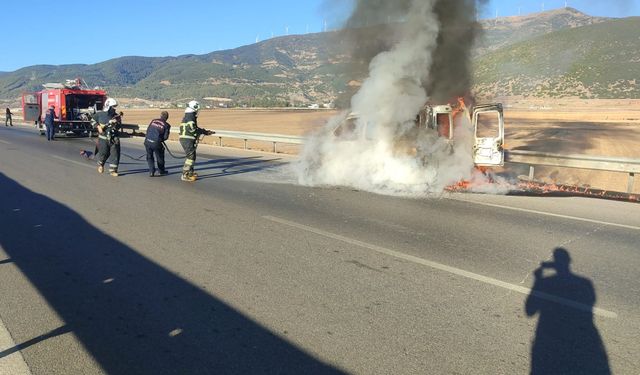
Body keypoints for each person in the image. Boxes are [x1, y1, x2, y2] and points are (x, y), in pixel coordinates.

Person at [179, 100, 213, 182]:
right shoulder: (191, 117)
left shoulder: (187, 116)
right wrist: (204, 132)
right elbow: (193, 128)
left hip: (186, 139)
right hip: (187, 140)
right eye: (197, 110)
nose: (197, 111)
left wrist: (202, 132)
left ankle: (190, 173)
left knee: (192, 156)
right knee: (190, 157)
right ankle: (185, 174)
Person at [92, 98, 122, 176]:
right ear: (108, 106)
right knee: (104, 153)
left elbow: (119, 126)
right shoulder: (100, 114)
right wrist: (98, 126)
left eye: (115, 106)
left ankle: (113, 170)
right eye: (113, 106)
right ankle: (100, 164)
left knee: (115, 154)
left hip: (114, 138)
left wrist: (116, 123)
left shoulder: (116, 116)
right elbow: (92, 120)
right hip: (103, 139)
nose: (115, 108)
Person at [145, 111, 171, 177]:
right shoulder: (167, 125)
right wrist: (160, 139)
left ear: (160, 115)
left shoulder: (154, 120)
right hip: (156, 143)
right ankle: (161, 171)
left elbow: (148, 130)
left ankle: (151, 171)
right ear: (167, 117)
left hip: (147, 141)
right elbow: (165, 137)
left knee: (149, 156)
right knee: (159, 157)